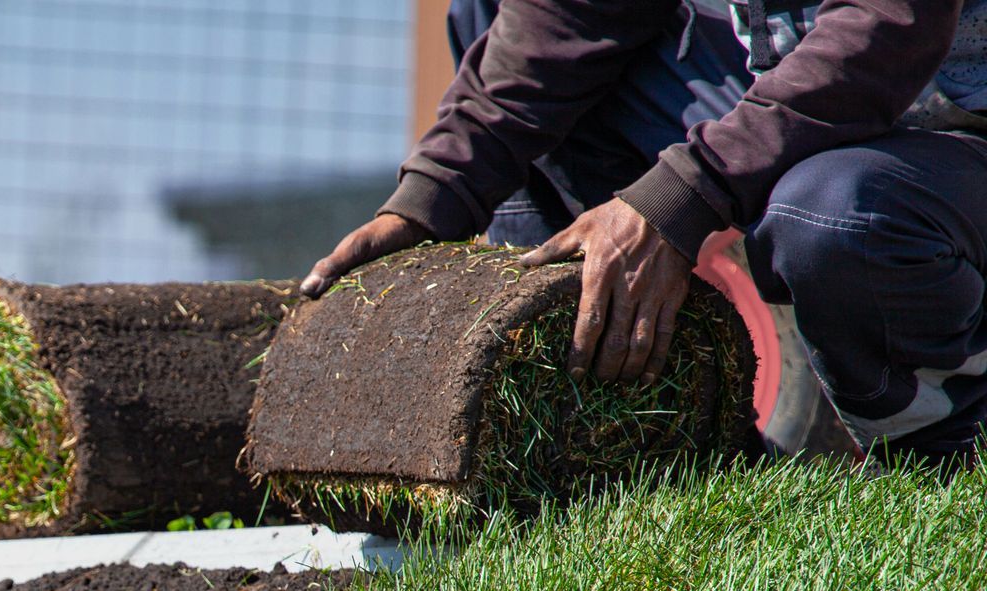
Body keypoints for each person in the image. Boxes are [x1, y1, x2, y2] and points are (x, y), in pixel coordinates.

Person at [302, 0, 987, 463]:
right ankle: (581, 434)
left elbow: (885, 29)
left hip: (955, 120)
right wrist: (428, 201)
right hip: (806, 97)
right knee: (498, 20)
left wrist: (688, 193)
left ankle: (941, 440)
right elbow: (566, 19)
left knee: (836, 214)